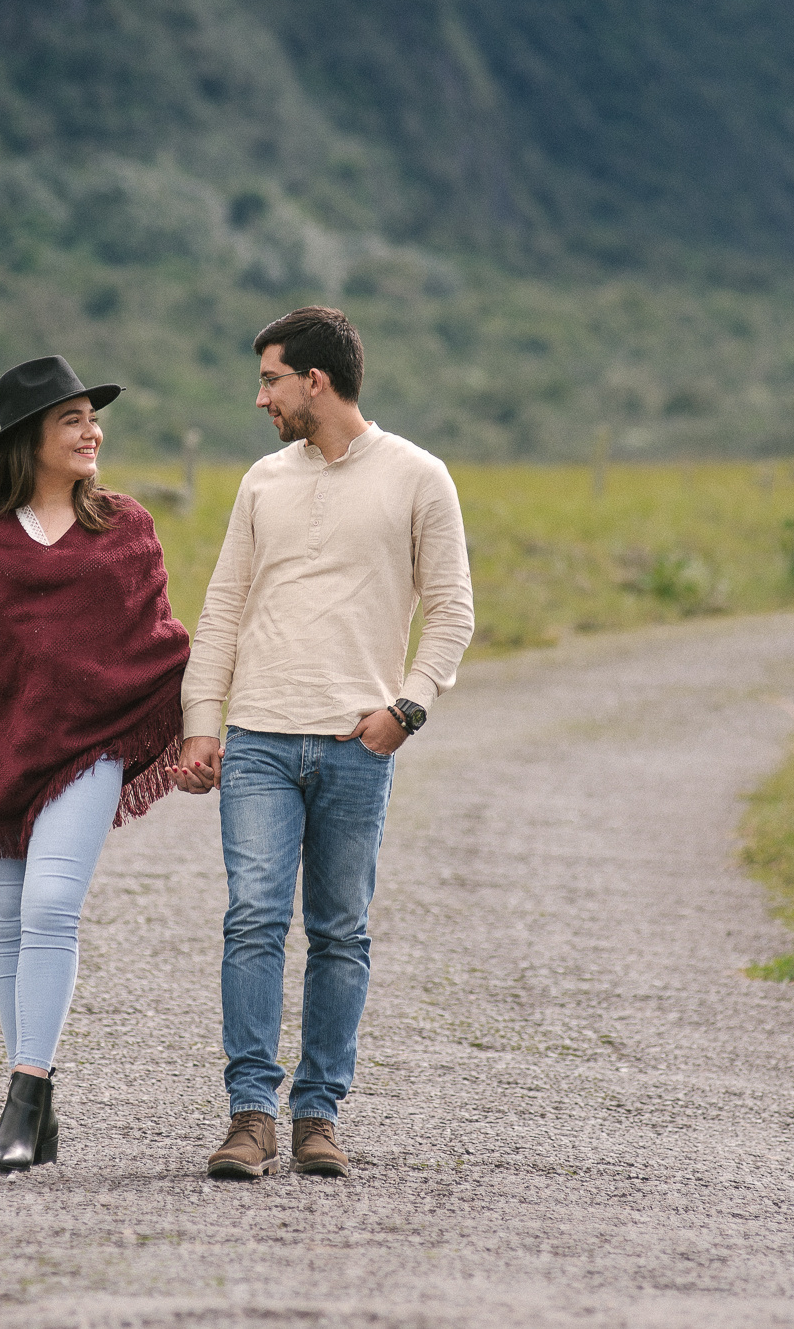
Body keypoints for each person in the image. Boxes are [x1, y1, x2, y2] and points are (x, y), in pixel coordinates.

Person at [169, 306, 474, 1179]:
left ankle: (318, 1117)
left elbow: (451, 610)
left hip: (355, 743)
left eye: (270, 378)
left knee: (340, 932)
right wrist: (201, 723)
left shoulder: (420, 477)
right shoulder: (262, 481)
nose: (259, 396)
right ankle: (250, 1116)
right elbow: (223, 606)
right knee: (254, 919)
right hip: (259, 738)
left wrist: (406, 711)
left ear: (316, 380)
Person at [0, 355, 192, 1173]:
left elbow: (157, 648)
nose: (93, 432)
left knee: (53, 904)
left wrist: (199, 727)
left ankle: (24, 1100)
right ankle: (36, 1099)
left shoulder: (127, 527)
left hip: (92, 747)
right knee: (8, 927)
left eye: (93, 418)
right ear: (30, 440)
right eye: (72, 420)